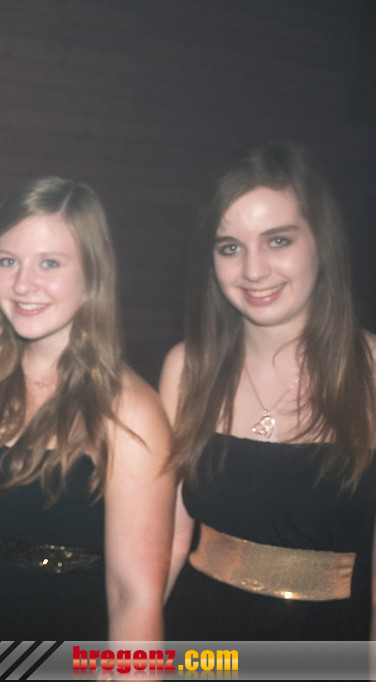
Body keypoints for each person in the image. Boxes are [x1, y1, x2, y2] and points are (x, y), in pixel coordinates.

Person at [0, 177, 173, 673]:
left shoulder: (129, 412)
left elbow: (134, 596)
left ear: (93, 273)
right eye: (8, 261)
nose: (22, 284)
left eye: (49, 263)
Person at [161, 142, 376, 640]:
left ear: (322, 242)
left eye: (278, 241)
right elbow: (167, 543)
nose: (253, 271)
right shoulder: (187, 368)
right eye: (230, 248)